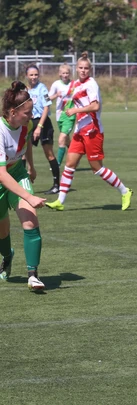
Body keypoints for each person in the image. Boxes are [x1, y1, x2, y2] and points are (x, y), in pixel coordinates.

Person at [45, 52, 133, 212]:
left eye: (86, 68)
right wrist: (43, 100)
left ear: (90, 70)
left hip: (93, 131)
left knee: (97, 168)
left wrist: (75, 110)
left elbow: (95, 106)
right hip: (80, 131)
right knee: (70, 165)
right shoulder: (75, 84)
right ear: (76, 69)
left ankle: (125, 191)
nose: (83, 70)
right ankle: (60, 201)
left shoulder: (91, 84)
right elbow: (61, 94)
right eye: (81, 68)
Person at [0, 81, 47, 291]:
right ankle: (7, 256)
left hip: (18, 173)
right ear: (13, 112)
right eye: (27, 113)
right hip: (2, 177)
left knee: (30, 222)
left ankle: (33, 275)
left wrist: (31, 166)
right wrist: (30, 197)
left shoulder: (26, 125)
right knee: (2, 232)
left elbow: (26, 142)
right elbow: (1, 175)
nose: (31, 116)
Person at [26, 65, 61, 193]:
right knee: (23, 154)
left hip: (43, 123)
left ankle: (57, 185)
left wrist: (39, 127)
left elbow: (46, 107)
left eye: (36, 74)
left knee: (49, 154)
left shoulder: (42, 88)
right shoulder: (25, 90)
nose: (34, 77)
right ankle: (22, 184)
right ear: (27, 76)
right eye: (31, 75)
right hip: (29, 123)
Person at [48, 63, 75, 166]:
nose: (65, 75)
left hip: (70, 115)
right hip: (60, 116)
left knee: (61, 138)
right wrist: (56, 95)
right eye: (63, 73)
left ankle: (57, 164)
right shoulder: (56, 84)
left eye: (67, 73)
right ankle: (76, 153)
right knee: (66, 140)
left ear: (69, 74)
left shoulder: (74, 84)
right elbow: (47, 98)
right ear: (60, 74)